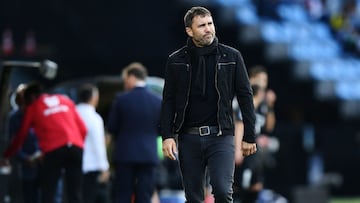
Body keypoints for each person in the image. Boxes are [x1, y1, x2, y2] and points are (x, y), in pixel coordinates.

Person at [160, 6, 257, 203]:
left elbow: (246, 97)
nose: (208, 29)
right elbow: (168, 101)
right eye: (202, 25)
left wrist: (249, 135)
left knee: (222, 192)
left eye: (210, 24)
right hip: (188, 137)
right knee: (193, 198)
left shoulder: (232, 56)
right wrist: (167, 136)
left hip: (221, 136)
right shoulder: (175, 60)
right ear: (189, 31)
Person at [1, 82, 87, 203]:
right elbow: (83, 129)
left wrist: (6, 155)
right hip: (76, 148)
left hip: (54, 150)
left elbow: (21, 136)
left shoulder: (33, 107)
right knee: (75, 192)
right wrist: (77, 145)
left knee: (48, 192)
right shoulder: (65, 100)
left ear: (30, 98)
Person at [107, 62, 162, 203]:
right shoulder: (157, 101)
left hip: (125, 154)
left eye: (125, 80)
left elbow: (112, 128)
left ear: (131, 77)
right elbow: (161, 129)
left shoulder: (121, 99)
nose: (125, 84)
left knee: (122, 195)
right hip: (149, 154)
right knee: (144, 195)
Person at [233, 65, 278, 203]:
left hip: (254, 148)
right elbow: (239, 124)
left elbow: (269, 127)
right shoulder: (243, 99)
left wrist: (270, 106)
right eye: (259, 79)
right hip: (240, 145)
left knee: (256, 184)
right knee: (239, 185)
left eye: (264, 80)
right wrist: (237, 150)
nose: (262, 84)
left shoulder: (263, 103)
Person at [76, 83, 110, 203]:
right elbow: (98, 144)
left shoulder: (73, 113)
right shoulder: (94, 118)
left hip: (73, 164)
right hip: (91, 166)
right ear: (94, 98)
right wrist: (104, 167)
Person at [8, 84, 41, 203]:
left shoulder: (40, 112)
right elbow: (13, 142)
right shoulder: (15, 118)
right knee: (29, 196)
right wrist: (25, 158)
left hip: (44, 161)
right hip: (27, 164)